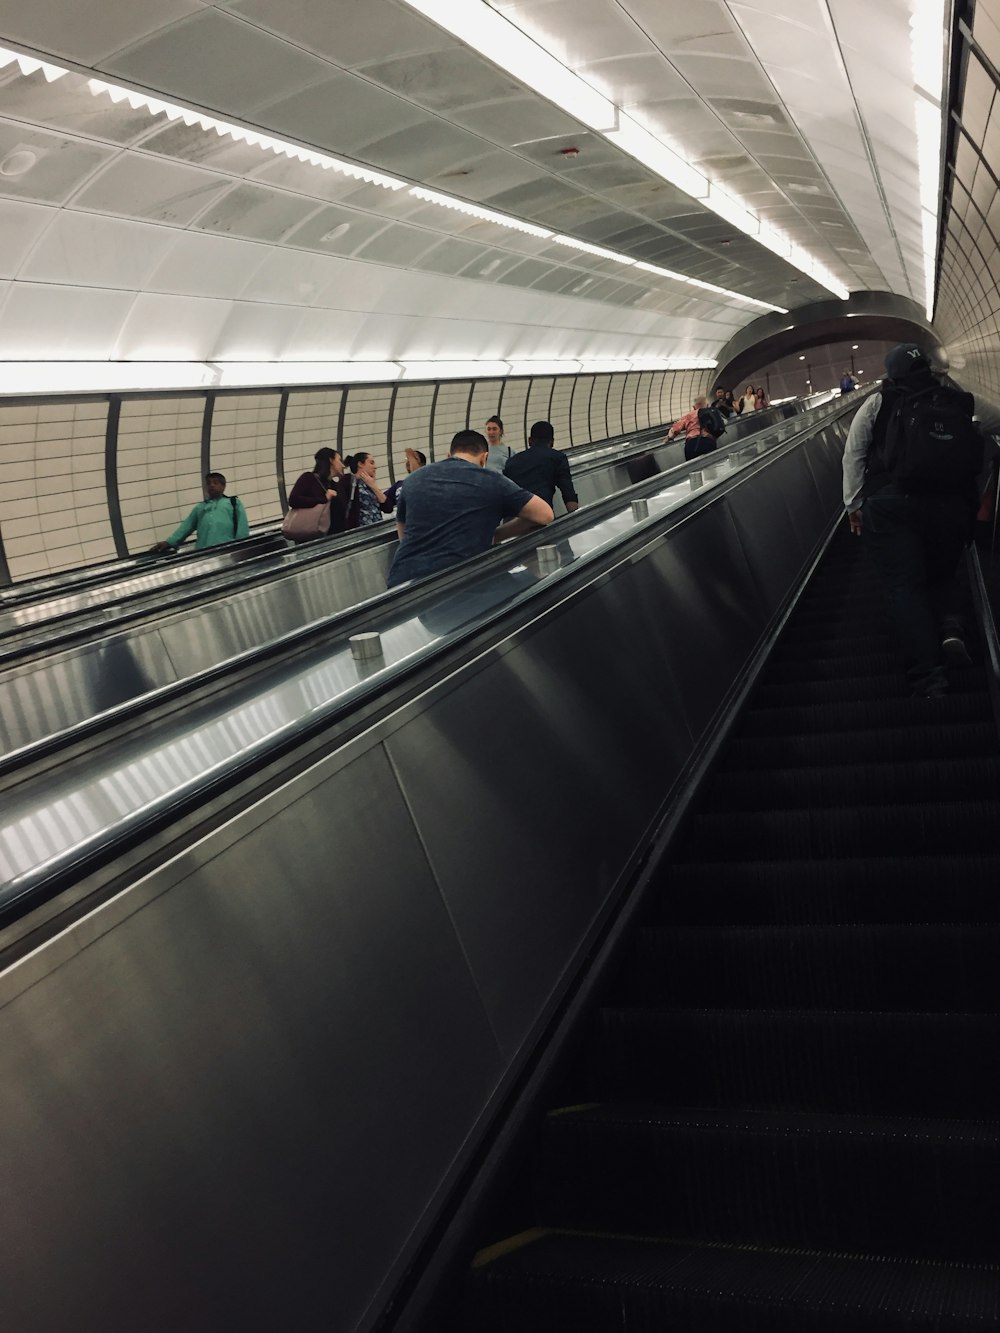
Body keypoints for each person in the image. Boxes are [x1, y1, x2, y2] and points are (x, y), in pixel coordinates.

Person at [842, 342, 984, 699]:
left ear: (892, 373)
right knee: (943, 574)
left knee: (904, 586)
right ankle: (951, 630)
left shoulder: (879, 401)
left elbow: (854, 452)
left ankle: (929, 678)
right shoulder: (956, 398)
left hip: (892, 504)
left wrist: (854, 505)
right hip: (951, 505)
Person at [387, 429, 553, 588]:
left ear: (448, 455)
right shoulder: (491, 480)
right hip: (460, 581)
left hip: (404, 582)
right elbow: (544, 515)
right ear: (484, 458)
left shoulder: (413, 480)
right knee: (533, 588)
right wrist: (498, 534)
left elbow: (403, 530)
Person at [154, 472, 249, 552]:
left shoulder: (233, 502)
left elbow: (242, 526)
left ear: (223, 486)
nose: (211, 485)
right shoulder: (200, 507)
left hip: (226, 550)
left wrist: (241, 546)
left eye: (215, 483)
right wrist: (170, 542)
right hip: (203, 552)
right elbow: (187, 526)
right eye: (209, 483)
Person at [503, 420, 579, 512]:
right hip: (540, 518)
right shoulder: (557, 458)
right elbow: (568, 492)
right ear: (552, 442)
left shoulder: (511, 461)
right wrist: (576, 518)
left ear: (529, 440)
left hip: (512, 519)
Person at [287, 447, 350, 534]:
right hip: (314, 537)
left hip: (337, 537)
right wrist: (324, 499)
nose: (343, 465)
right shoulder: (309, 478)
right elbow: (293, 500)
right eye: (339, 460)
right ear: (331, 460)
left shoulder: (335, 485)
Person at [344, 452, 390, 527]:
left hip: (377, 529)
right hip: (360, 531)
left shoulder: (371, 484)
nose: (375, 467)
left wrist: (374, 487)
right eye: (371, 463)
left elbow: (388, 508)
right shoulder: (348, 481)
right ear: (360, 464)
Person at [382, 448, 427, 513]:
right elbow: (383, 500)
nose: (409, 461)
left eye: (415, 458)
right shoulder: (399, 485)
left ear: (423, 464)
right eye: (407, 459)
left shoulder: (428, 481)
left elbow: (416, 477)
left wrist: (411, 457)